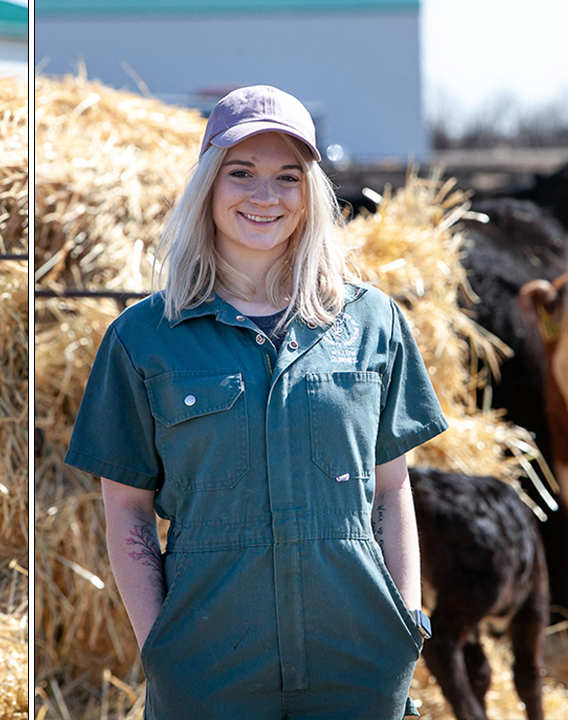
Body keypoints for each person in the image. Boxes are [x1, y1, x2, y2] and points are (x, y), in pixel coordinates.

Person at [65, 85, 447, 720]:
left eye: (286, 178)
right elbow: (126, 509)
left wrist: (403, 625)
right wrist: (160, 646)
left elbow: (391, 490)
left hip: (360, 657)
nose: (264, 197)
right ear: (209, 186)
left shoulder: (373, 322)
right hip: (207, 666)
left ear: (311, 193)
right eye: (241, 174)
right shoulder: (144, 336)